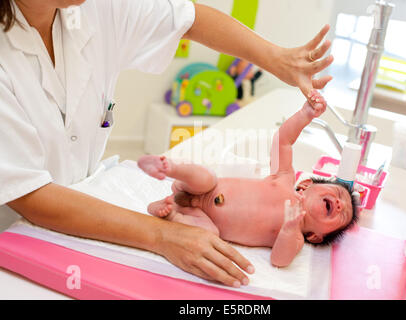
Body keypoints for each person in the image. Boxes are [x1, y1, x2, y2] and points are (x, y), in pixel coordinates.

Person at [0, 0, 333, 288]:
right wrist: (162, 236)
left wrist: (277, 59)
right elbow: (31, 195)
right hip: (17, 231)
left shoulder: (92, 9)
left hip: (93, 204)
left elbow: (189, 19)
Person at [138, 91, 359, 268]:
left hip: (202, 218)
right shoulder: (284, 181)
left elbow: (279, 260)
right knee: (207, 177)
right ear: (306, 185)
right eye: (338, 194)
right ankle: (170, 167)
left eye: (343, 214)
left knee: (210, 235)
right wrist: (305, 115)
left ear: (316, 236)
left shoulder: (296, 239)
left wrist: (290, 229)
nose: (340, 204)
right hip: (203, 190)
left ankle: (172, 214)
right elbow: (283, 141)